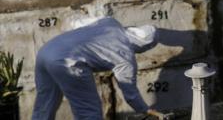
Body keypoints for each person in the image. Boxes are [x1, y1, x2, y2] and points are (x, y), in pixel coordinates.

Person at [31, 17, 162, 120]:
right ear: (144, 46)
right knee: (89, 113)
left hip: (46, 50)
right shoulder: (126, 55)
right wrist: (145, 110)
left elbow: (77, 21)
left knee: (44, 106)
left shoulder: (110, 22)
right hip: (69, 61)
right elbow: (130, 93)